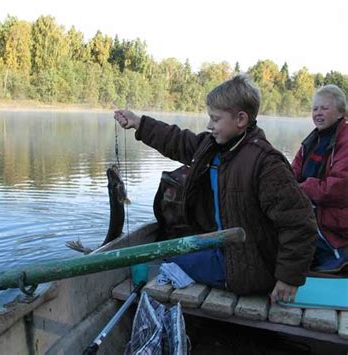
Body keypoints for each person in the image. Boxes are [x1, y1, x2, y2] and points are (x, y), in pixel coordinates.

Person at [114, 74, 317, 303]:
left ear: (241, 119)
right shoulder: (213, 146)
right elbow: (177, 140)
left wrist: (288, 278)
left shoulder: (266, 164)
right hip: (222, 250)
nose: (209, 125)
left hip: (246, 268)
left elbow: (300, 223)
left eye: (215, 119)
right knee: (165, 251)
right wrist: (139, 123)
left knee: (161, 260)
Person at [292, 84, 348, 273]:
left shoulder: (345, 140)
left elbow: (339, 187)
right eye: (315, 109)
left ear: (341, 113)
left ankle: (338, 254)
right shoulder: (312, 141)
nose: (318, 113)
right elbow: (291, 174)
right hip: (312, 208)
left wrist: (302, 189)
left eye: (324, 108)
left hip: (336, 217)